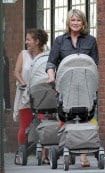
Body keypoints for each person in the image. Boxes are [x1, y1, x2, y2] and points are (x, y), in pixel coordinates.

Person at [46, 9, 99, 167]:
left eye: (79, 20)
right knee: (66, 118)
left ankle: (83, 156)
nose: (75, 23)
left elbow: (95, 65)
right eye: (73, 20)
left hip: (86, 87)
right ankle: (67, 150)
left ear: (83, 23)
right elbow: (51, 63)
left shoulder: (91, 41)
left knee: (86, 118)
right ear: (68, 22)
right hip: (65, 86)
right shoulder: (60, 41)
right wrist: (51, 77)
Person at [13, 28, 49, 165]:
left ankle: (45, 155)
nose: (26, 42)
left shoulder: (46, 55)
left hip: (41, 96)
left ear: (37, 41)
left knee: (45, 124)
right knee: (25, 125)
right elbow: (16, 72)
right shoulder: (23, 54)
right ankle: (20, 153)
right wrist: (24, 83)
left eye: (29, 39)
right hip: (25, 94)